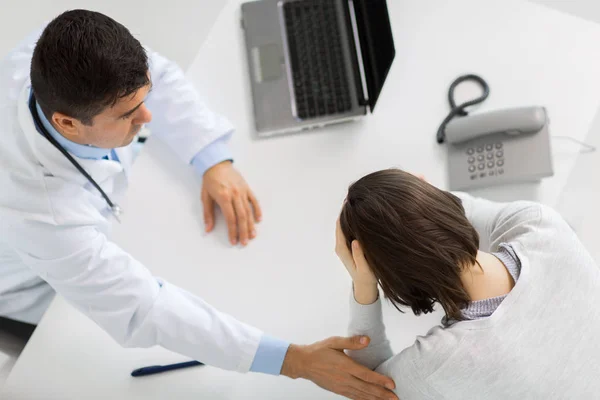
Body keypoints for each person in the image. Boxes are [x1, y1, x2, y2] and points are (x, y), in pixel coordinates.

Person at [0, 10, 398, 400]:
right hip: (31, 293)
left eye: (144, 98)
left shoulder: (61, 50)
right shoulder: (43, 213)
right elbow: (146, 309)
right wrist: (293, 361)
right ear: (68, 123)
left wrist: (211, 157)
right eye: (127, 115)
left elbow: (164, 77)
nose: (148, 116)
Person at [335, 168, 600, 399]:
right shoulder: (541, 224)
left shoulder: (440, 363)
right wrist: (417, 200)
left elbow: (368, 386)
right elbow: (470, 212)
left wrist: (363, 285)